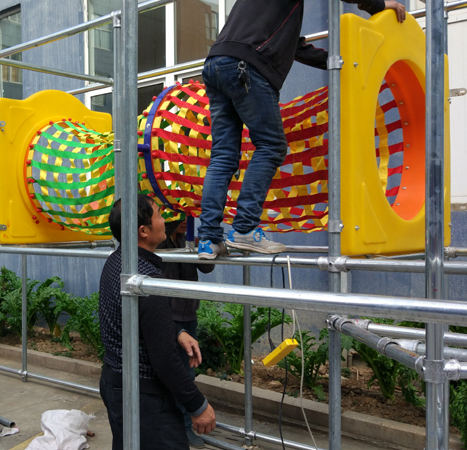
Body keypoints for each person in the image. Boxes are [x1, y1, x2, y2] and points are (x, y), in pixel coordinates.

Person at [197, 0, 407, 260]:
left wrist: (339, 61)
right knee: (271, 146)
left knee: (223, 155)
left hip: (216, 63)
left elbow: (295, 46)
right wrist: (379, 4)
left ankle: (208, 238)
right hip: (247, 66)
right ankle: (244, 228)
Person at [99, 195, 216, 450]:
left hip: (114, 382)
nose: (165, 221)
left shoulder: (116, 262)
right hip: (141, 394)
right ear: (143, 231)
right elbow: (163, 358)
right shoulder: (145, 278)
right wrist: (198, 405)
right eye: (160, 216)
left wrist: (176, 332)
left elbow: (138, 321)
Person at [157, 219, 215, 447]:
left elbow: (207, 267)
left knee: (187, 372)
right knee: (176, 373)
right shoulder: (160, 244)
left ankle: (183, 423)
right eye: (180, 216)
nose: (185, 222)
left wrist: (204, 247)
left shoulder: (187, 240)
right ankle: (180, 424)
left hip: (188, 316)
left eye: (189, 218)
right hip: (168, 318)